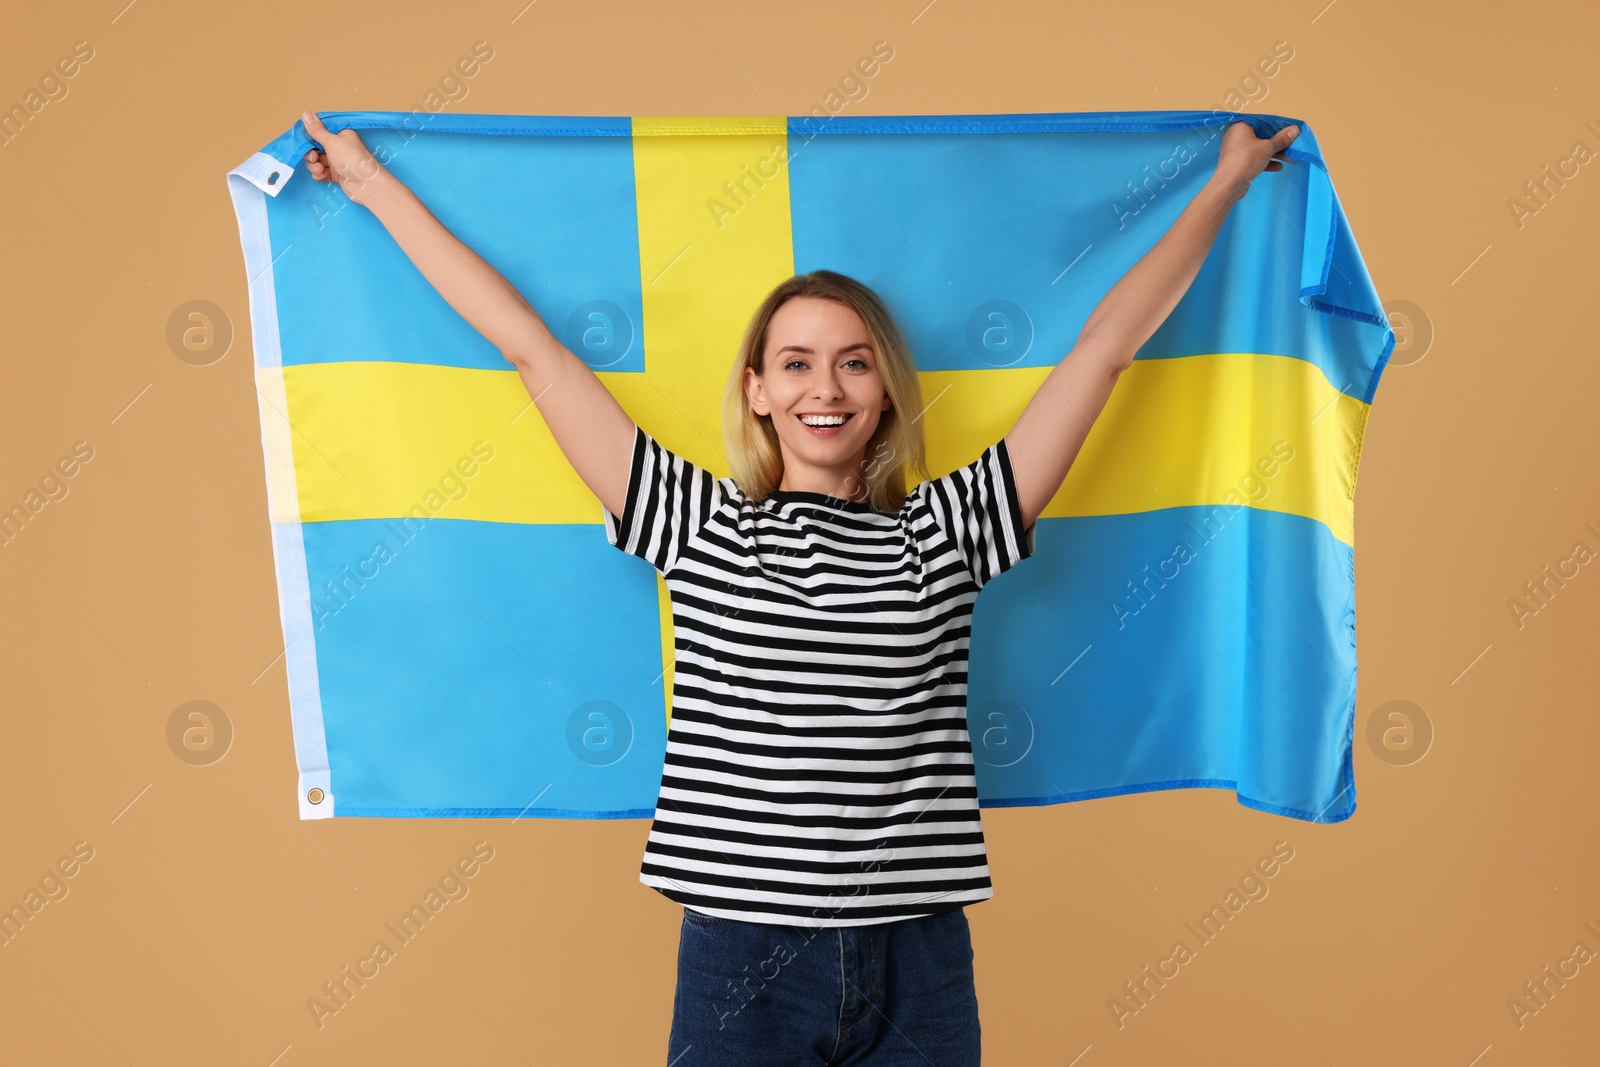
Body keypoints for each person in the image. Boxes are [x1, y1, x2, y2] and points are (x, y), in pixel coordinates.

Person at [298, 108, 1297, 1065]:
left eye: (854, 364)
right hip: (740, 957)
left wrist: (1220, 186)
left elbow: (1104, 348)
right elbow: (531, 348)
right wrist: (371, 182)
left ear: (886, 389)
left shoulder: (950, 527)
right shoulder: (697, 522)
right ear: (758, 390)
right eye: (797, 363)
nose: (826, 388)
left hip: (918, 956)